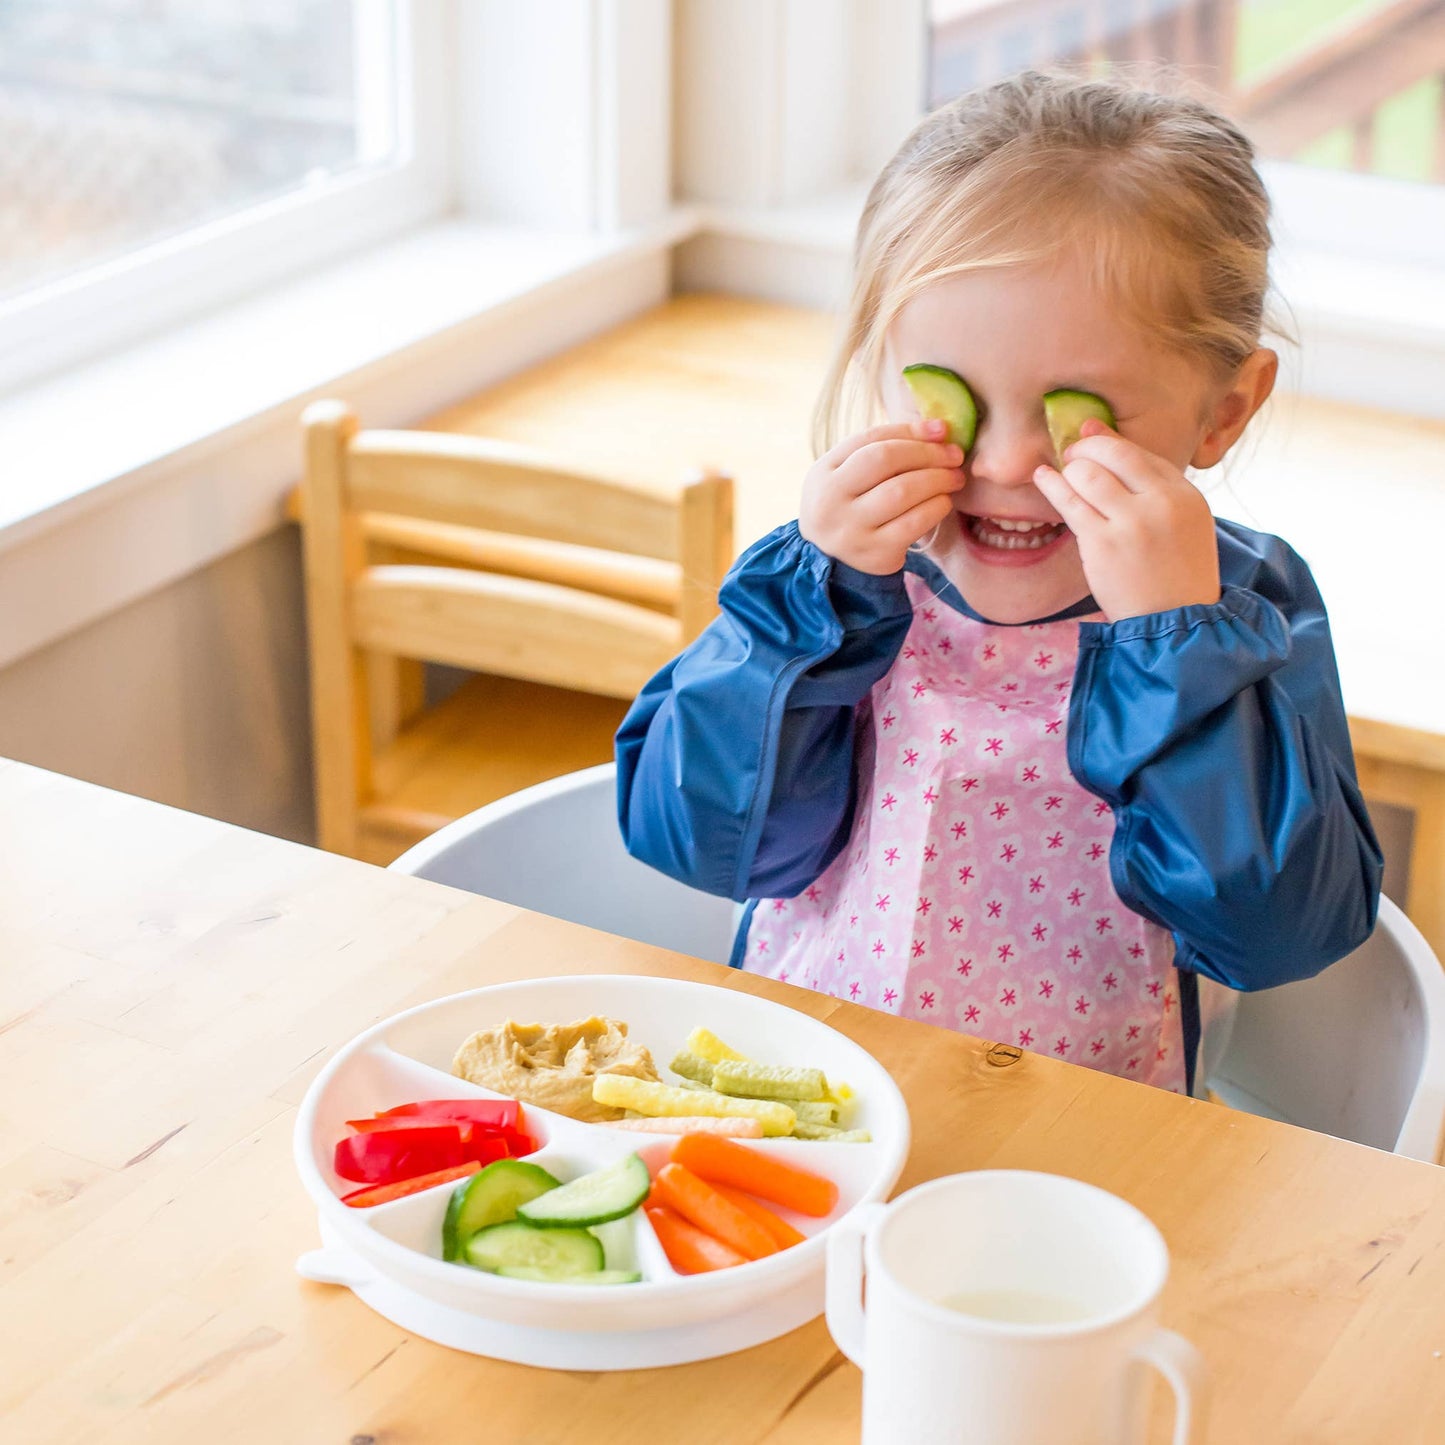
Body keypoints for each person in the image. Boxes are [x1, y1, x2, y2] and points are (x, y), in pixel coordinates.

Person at [615, 70, 1383, 1096]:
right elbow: (697, 842)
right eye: (953, 398)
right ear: (882, 370)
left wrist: (1174, 642)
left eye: (1077, 413)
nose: (1007, 464)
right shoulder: (829, 577)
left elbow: (1274, 931)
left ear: (1222, 410)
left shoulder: (1239, 613)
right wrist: (811, 612)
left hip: (1092, 1145)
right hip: (801, 1102)